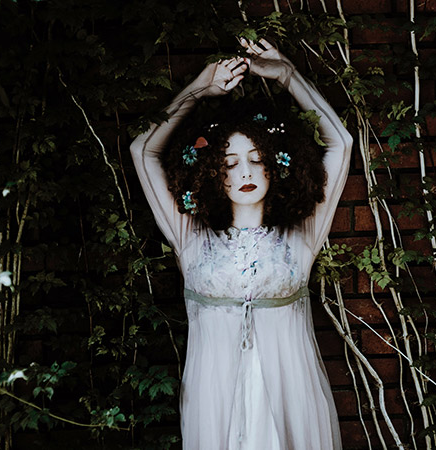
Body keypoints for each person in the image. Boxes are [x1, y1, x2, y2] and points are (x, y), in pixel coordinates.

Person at [130, 38, 353, 450]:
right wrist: (200, 87)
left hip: (291, 410)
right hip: (216, 414)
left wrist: (287, 74)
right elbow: (142, 149)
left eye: (256, 158)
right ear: (213, 173)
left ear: (275, 165)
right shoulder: (191, 240)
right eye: (230, 163)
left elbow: (341, 143)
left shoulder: (300, 239)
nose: (245, 171)